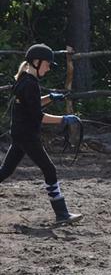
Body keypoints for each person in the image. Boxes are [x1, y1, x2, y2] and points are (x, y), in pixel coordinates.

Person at [1, 44, 82, 224]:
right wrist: (63, 119)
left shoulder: (24, 79)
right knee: (49, 169)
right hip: (27, 136)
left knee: (5, 171)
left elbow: (32, 104)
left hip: (20, 134)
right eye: (47, 64)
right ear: (36, 62)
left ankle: (62, 214)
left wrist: (50, 98)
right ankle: (62, 214)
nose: (49, 67)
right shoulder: (30, 84)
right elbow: (38, 116)